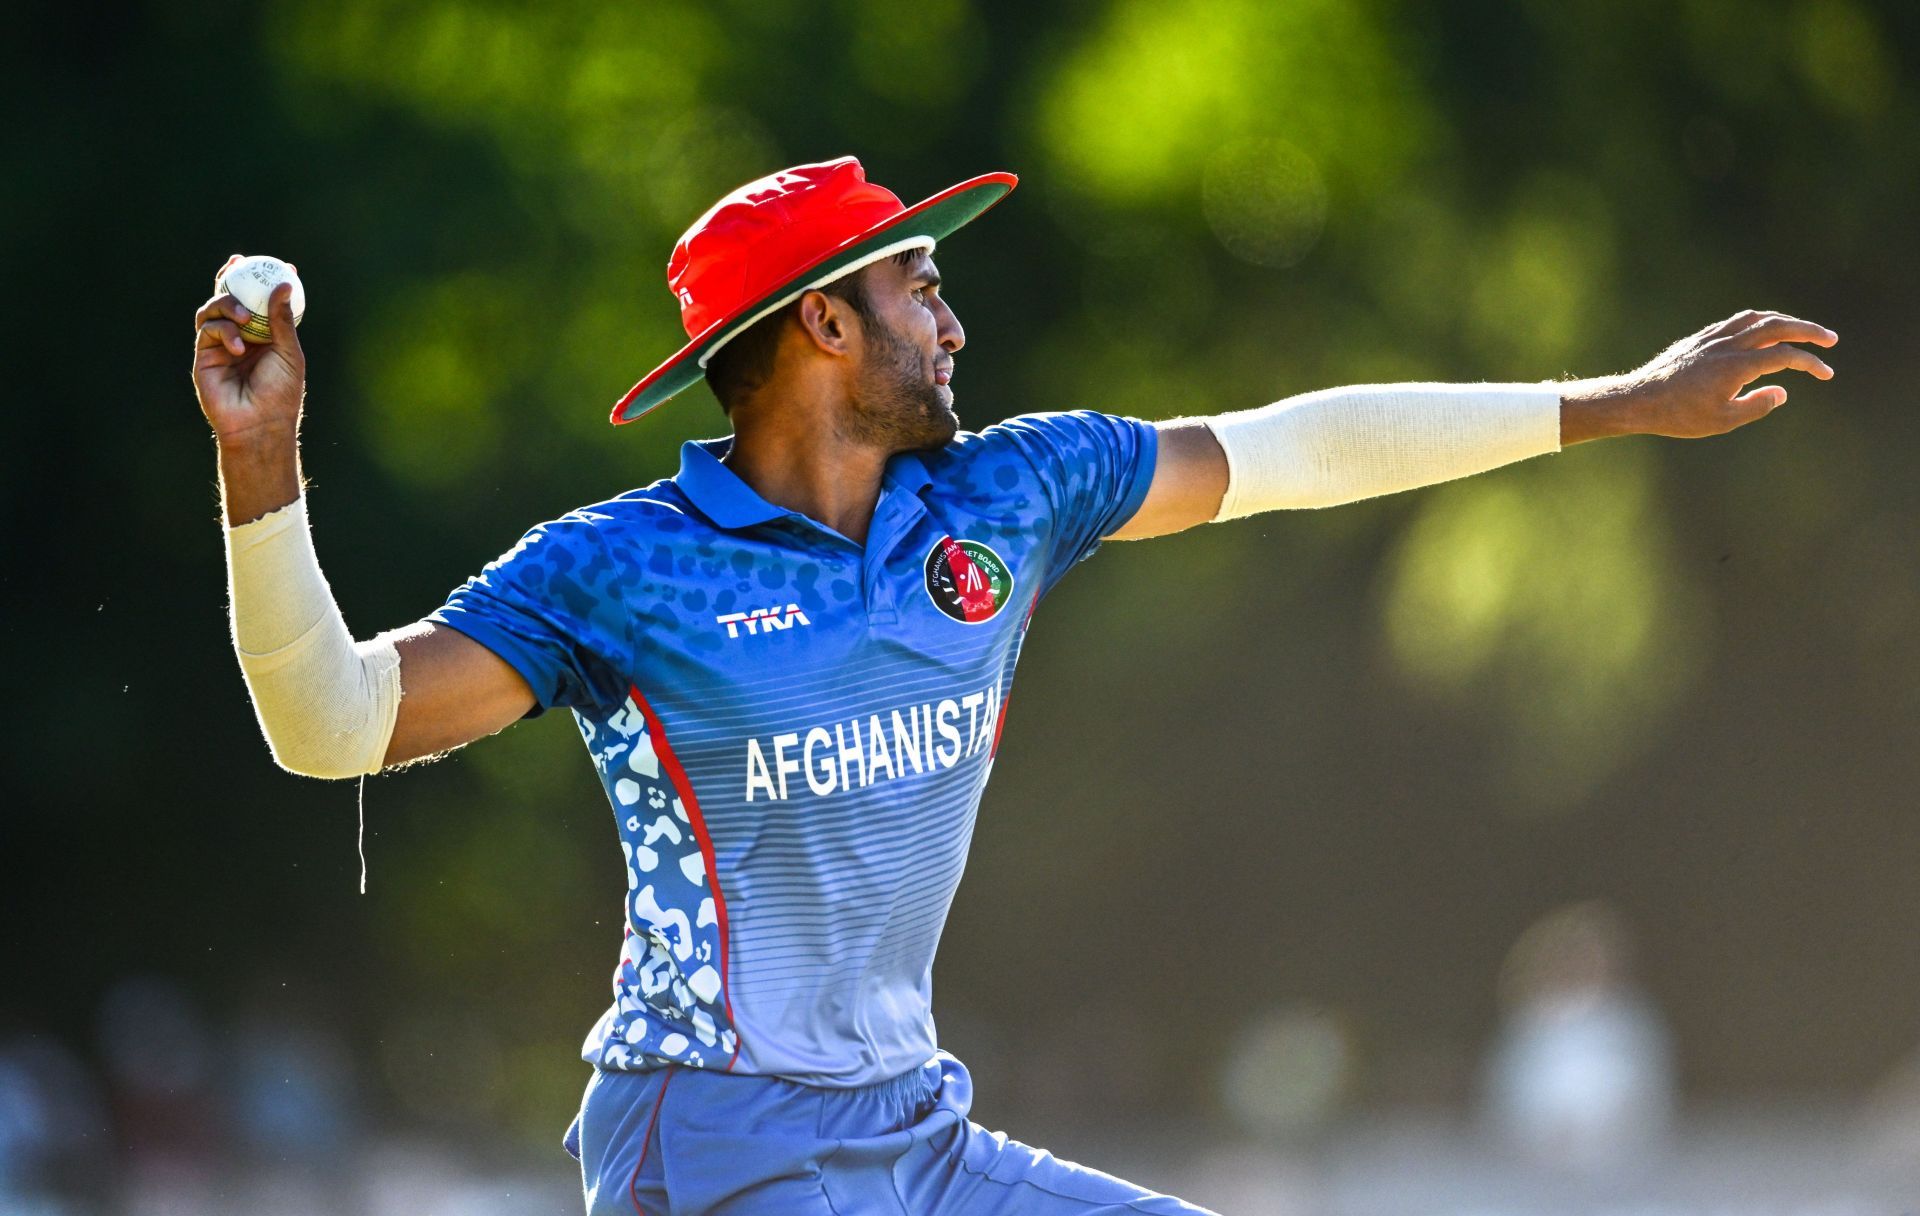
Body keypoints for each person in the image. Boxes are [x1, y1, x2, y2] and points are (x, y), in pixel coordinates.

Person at [191, 157, 1837, 1215]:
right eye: (921, 287)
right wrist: (262, 471)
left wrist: (1608, 404)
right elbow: (331, 725)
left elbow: (1295, 449)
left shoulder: (1006, 495)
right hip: (713, 1149)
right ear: (825, 322)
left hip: (917, 1142)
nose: (954, 322)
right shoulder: (622, 567)